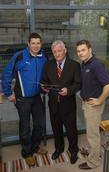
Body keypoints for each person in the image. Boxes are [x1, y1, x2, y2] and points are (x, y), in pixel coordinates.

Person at [2, 33, 48, 167]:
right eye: (33, 43)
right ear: (28, 44)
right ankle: (27, 152)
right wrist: (8, 92)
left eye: (38, 43)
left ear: (41, 44)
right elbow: (7, 73)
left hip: (36, 97)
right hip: (22, 98)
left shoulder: (43, 56)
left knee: (39, 124)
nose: (36, 45)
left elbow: (46, 74)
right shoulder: (20, 56)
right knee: (25, 127)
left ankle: (35, 146)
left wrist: (45, 86)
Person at [76, 40, 109, 169]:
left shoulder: (96, 65)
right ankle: (93, 152)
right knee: (91, 132)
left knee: (93, 135)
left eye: (83, 50)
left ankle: (93, 162)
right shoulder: (84, 64)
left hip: (93, 105)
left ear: (90, 50)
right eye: (78, 51)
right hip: (86, 103)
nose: (80, 53)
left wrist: (99, 100)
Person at [42, 40, 81, 164]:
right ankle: (59, 149)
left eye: (59, 51)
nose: (57, 54)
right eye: (54, 52)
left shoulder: (74, 65)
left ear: (65, 51)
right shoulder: (48, 65)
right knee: (56, 129)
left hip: (68, 104)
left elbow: (78, 84)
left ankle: (73, 150)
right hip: (53, 104)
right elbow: (44, 81)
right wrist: (44, 87)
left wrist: (68, 90)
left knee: (71, 130)